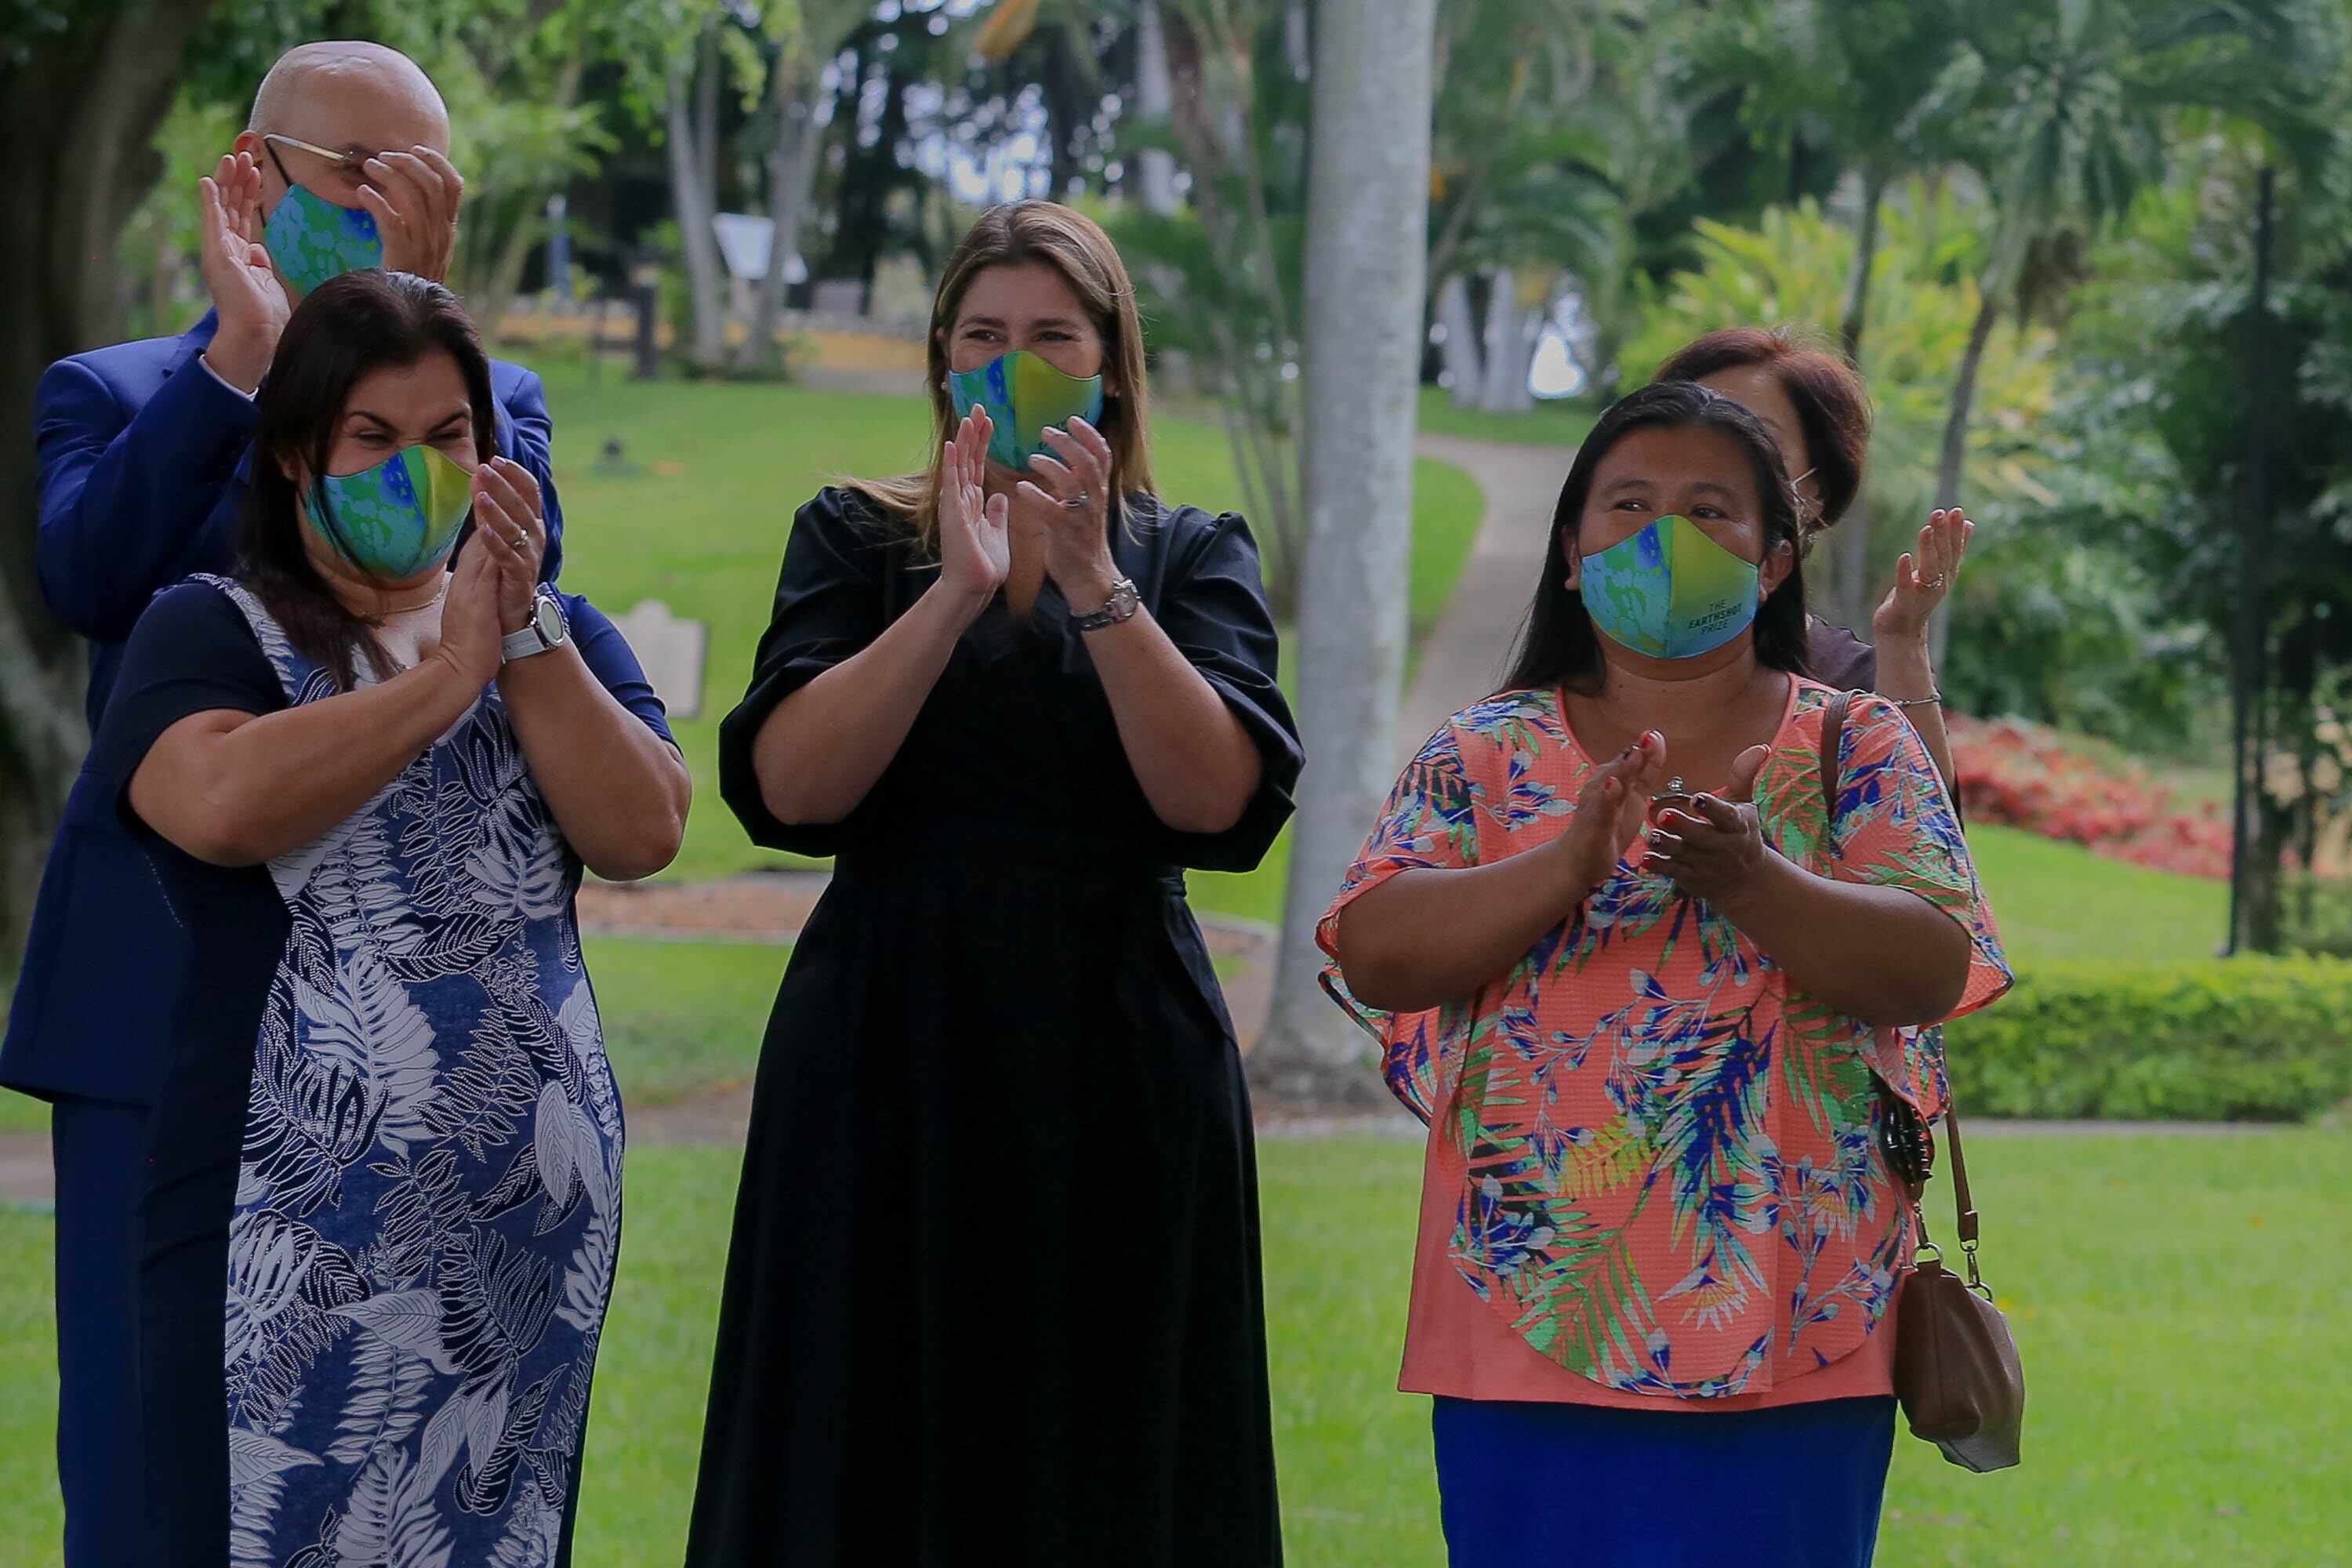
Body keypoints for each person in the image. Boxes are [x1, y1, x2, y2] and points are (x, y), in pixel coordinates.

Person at [0, 42, 564, 1566]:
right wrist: (251, 362)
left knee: (416, 1459)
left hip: (424, 1027)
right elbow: (91, 577)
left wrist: (422, 344)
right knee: (145, 1469)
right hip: (162, 1009)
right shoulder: (123, 394)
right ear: (258, 178)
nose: (394, 214)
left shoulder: (494, 403)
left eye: (426, 188)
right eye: (361, 182)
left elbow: (507, 599)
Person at [684, 200, 1301, 1566]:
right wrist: (954, 593)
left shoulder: (1192, 553)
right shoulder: (854, 536)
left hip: (1117, 1047)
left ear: (1111, 368)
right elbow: (796, 789)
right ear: (939, 362)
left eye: (1050, 338)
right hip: (885, 1041)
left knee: (1110, 1454)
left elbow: (1215, 800)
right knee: (860, 1444)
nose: (1014, 363)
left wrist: (1093, 583)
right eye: (983, 336)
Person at [1319, 382, 2010, 1568]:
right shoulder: (1482, 751)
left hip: (1807, 1313)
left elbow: (1934, 963)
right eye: (1627, 507)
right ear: (1574, 558)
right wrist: (1565, 863)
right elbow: (1376, 949)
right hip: (1530, 1293)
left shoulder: (1859, 743)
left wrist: (1756, 883)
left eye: (1709, 511)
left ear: (1778, 562)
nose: (1664, 539)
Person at [65, 268, 685, 1563]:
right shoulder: (209, 630)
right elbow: (224, 805)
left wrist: (516, 640)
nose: (421, 469)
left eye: (451, 437)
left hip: (522, 1262)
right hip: (280, 1250)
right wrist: (443, 671)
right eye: (378, 439)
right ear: (299, 457)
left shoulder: (562, 644)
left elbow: (644, 830)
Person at [1653, 327, 1966, 788]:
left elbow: (1922, 839)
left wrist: (1903, 639)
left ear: (1812, 495)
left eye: (1750, 437)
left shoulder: (1850, 685)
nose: (1707, 460)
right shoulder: (1587, 646)